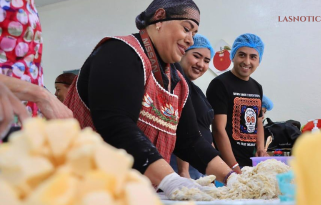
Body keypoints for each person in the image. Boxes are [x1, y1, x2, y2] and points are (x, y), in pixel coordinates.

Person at [64, 0, 233, 198]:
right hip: (86, 190)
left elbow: (190, 140)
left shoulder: (177, 80)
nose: (190, 40)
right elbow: (116, 125)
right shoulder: (120, 52)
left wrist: (231, 176)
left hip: (132, 194)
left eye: (194, 34)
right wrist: (170, 179)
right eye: (187, 29)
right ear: (159, 18)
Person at [207, 33, 267, 174]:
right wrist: (234, 166)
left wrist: (260, 149)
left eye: (253, 57)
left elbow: (259, 122)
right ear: (232, 56)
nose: (247, 61)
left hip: (249, 165)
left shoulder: (257, 87)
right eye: (242, 55)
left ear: (259, 61)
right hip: (225, 166)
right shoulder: (220, 84)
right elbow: (218, 129)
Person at [170, 34, 215, 179]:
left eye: (206, 61)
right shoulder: (175, 84)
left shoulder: (195, 90)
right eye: (196, 56)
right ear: (183, 52)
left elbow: (204, 131)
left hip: (199, 167)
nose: (201, 64)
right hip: (182, 169)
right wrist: (184, 172)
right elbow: (182, 130)